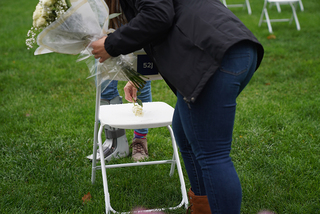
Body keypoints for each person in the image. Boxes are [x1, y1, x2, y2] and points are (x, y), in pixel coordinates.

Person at [91, 0, 264, 213]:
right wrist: (139, 77)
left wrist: (110, 44)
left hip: (213, 56)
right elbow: (167, 26)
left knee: (213, 155)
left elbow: (158, 16)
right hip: (232, 49)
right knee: (184, 135)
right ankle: (202, 207)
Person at [87, 0, 152, 162]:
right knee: (105, 87)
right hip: (104, 29)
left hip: (139, 28)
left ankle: (140, 138)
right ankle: (116, 141)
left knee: (140, 84)